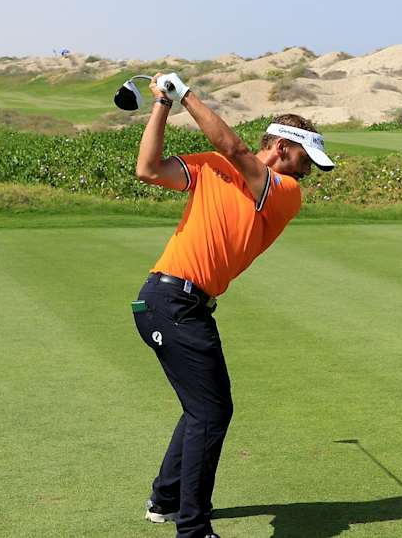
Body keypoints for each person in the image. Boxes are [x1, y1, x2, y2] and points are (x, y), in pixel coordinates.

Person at [131, 72, 335, 538]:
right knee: (210, 412)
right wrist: (163, 103)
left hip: (180, 304)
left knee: (204, 409)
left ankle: (166, 500)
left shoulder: (284, 193)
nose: (308, 171)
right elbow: (148, 169)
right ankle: (193, 528)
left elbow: (238, 152)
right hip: (169, 301)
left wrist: (186, 96)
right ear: (282, 147)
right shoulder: (211, 169)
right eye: (305, 159)